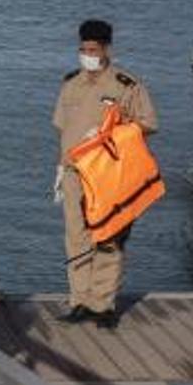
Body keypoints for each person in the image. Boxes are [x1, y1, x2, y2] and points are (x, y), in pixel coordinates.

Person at [51, 19, 157, 328]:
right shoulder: (70, 83)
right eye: (83, 49)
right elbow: (62, 128)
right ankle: (80, 301)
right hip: (73, 173)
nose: (87, 55)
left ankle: (103, 304)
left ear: (107, 49)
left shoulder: (126, 85)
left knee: (109, 238)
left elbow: (148, 123)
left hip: (110, 175)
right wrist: (60, 167)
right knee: (76, 237)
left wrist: (116, 130)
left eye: (93, 50)